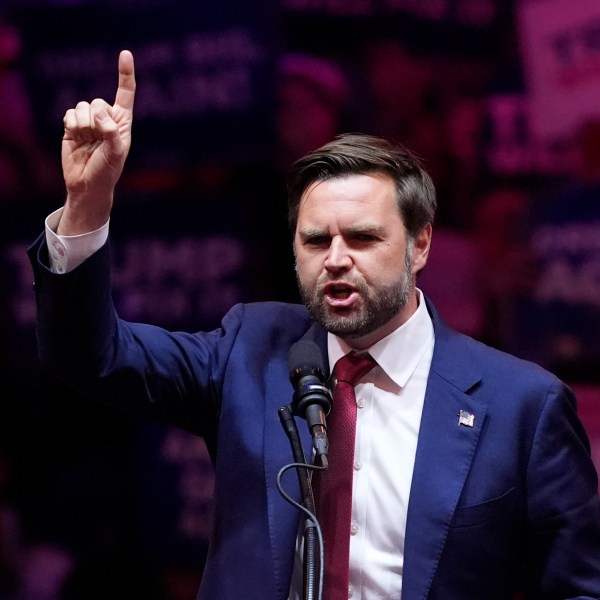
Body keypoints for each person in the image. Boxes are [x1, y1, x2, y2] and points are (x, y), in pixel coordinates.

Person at [27, 50, 600, 600]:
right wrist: (87, 204)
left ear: (420, 244)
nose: (336, 257)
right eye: (316, 239)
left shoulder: (522, 404)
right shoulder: (247, 353)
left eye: (364, 237)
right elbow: (90, 354)